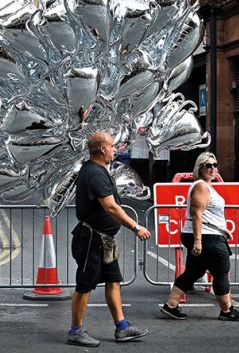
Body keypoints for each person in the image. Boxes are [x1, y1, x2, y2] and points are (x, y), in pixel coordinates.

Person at [67, 132, 151, 347]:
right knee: (84, 285)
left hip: (105, 241)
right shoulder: (94, 172)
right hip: (92, 240)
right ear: (102, 149)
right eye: (113, 146)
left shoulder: (100, 170)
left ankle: (122, 327)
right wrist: (135, 226)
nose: (116, 149)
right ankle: (75, 331)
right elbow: (111, 207)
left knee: (114, 281)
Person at [160, 152, 239, 322]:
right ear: (199, 168)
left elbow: (207, 215)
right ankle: (227, 310)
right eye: (208, 165)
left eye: (215, 165)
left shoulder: (206, 185)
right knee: (221, 270)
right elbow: (197, 214)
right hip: (205, 237)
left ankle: (170, 306)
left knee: (194, 271)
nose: (213, 168)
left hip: (208, 233)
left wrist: (222, 229)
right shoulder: (201, 186)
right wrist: (198, 241)